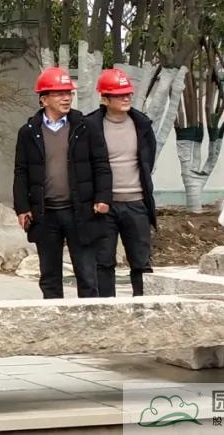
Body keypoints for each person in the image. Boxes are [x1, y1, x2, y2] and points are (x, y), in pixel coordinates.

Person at [13, 67, 112, 299]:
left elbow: (101, 164)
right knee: (49, 276)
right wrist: (22, 207)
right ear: (44, 99)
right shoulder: (29, 132)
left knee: (87, 274)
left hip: (80, 211)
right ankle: (54, 315)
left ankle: (89, 317)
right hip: (45, 213)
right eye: (59, 94)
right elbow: (21, 172)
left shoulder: (86, 127)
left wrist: (103, 197)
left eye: (68, 93)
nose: (66, 98)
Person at [87, 68, 157, 297]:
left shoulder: (142, 125)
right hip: (103, 206)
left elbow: (148, 161)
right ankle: (107, 308)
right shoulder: (91, 126)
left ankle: (144, 306)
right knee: (103, 262)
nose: (126, 98)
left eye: (128, 94)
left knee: (141, 262)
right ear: (105, 99)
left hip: (137, 203)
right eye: (119, 95)